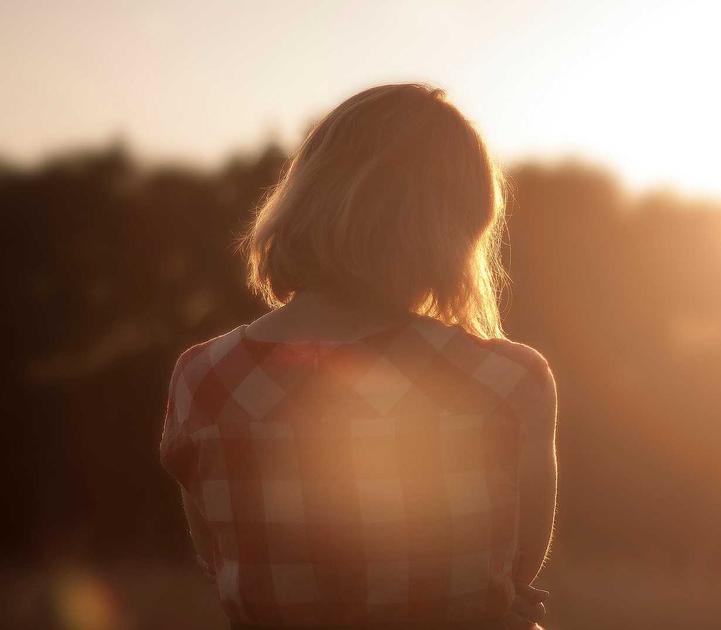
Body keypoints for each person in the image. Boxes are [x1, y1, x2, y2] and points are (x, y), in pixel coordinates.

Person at [159, 84, 558, 630]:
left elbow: (219, 559)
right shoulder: (507, 379)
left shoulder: (204, 378)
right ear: (457, 227)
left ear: (306, 195)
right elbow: (514, 572)